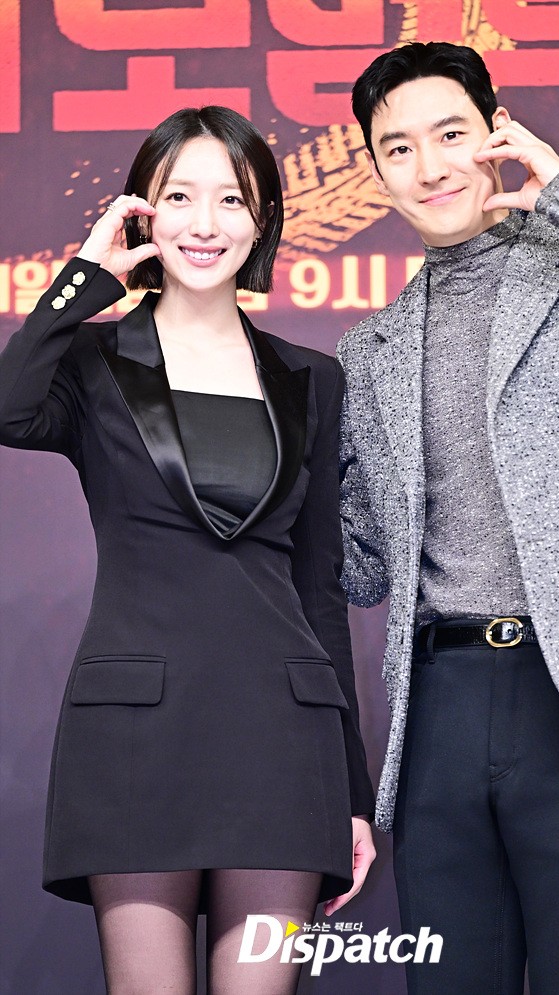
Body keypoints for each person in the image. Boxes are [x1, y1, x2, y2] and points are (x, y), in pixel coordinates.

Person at [337, 41, 559, 994]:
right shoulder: (368, 349)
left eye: (451, 134)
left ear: (497, 133)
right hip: (437, 706)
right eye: (399, 148)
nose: (430, 166)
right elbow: (363, 564)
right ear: (376, 172)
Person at [0, 105, 375, 995]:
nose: (205, 224)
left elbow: (318, 585)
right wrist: (84, 281)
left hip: (281, 737)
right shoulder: (92, 361)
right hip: (136, 733)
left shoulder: (313, 377)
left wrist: (352, 789)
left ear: (263, 218)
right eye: (179, 197)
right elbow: (9, 408)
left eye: (231, 200)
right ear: (143, 211)